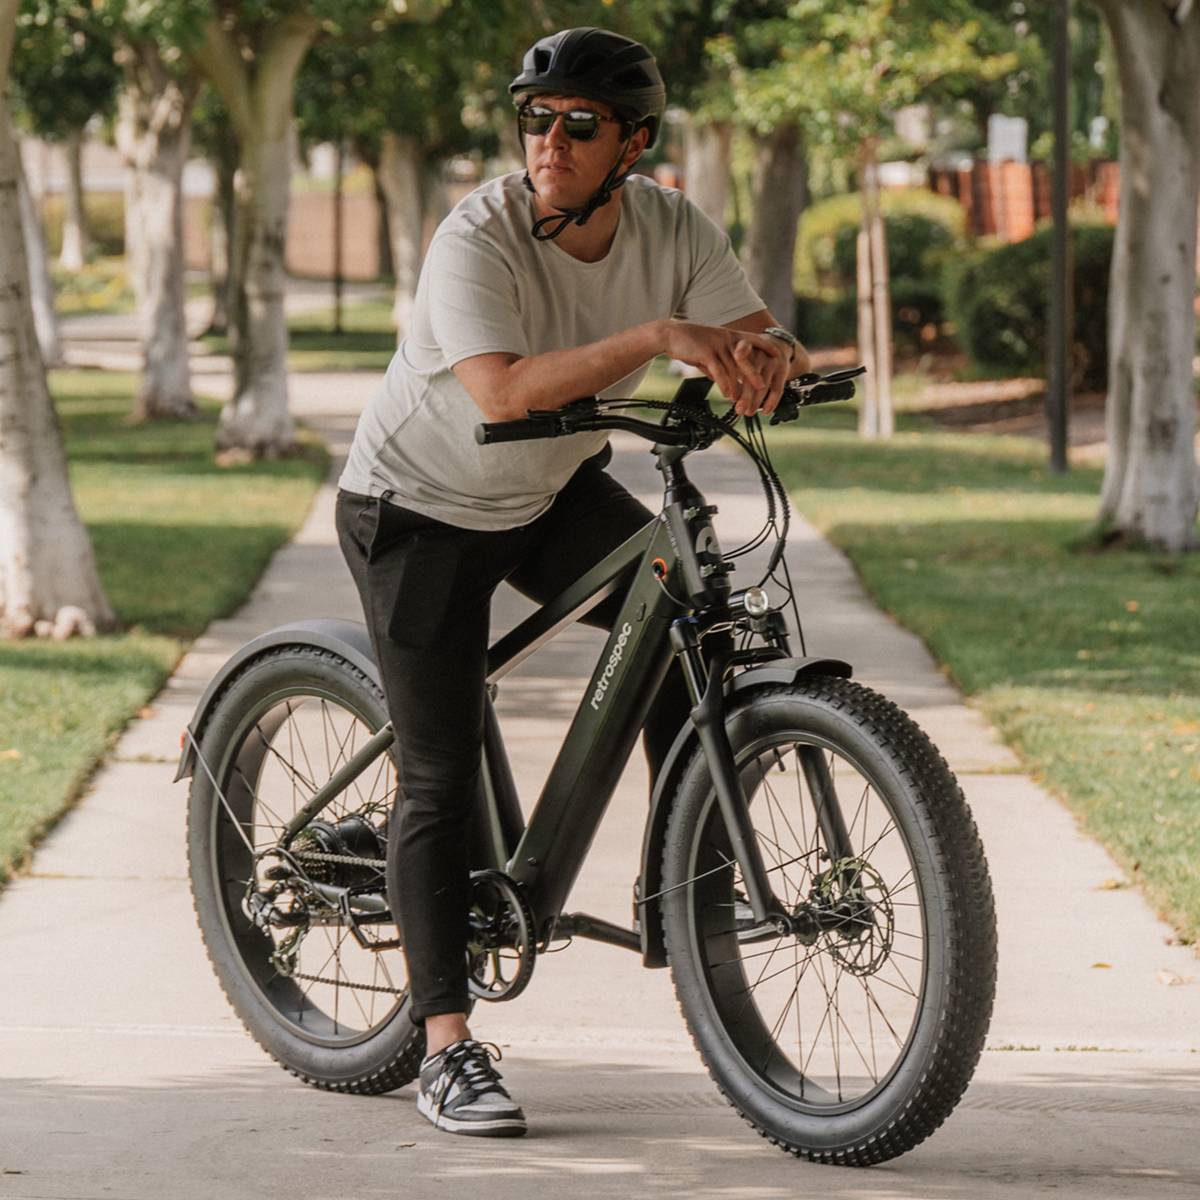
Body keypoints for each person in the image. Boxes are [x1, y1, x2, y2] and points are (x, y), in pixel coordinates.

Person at [335, 26, 811, 1139]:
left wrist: (772, 359)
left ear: (633, 143)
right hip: (418, 507)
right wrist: (654, 334)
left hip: (548, 493)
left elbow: (748, 329)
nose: (549, 140)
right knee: (440, 776)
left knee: (684, 621)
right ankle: (445, 1046)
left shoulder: (673, 225)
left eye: (578, 124)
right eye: (534, 118)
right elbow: (502, 393)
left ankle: (692, 885)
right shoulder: (478, 236)